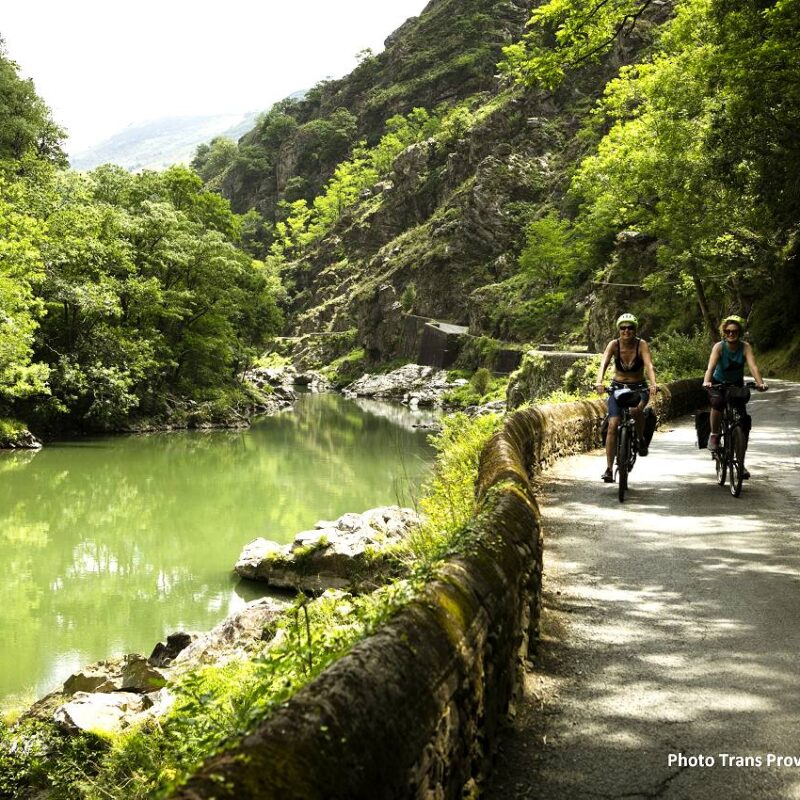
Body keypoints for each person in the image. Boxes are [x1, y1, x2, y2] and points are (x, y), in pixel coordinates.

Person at [594, 313, 659, 482]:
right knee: (612, 424)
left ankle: (640, 439)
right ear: (619, 330)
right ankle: (609, 468)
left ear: (635, 330)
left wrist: (653, 383)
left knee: (636, 411)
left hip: (639, 388)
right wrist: (599, 381)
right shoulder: (613, 345)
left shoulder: (641, 344)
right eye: (623, 328)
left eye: (630, 328)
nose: (626, 331)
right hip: (617, 388)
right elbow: (603, 363)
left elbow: (649, 365)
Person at [702, 315, 767, 477]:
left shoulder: (745, 347)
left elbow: (753, 366)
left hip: (736, 385)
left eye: (735, 331)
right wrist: (706, 381)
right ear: (724, 332)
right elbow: (711, 367)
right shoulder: (719, 347)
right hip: (718, 383)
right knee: (717, 402)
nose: (732, 334)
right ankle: (715, 435)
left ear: (740, 332)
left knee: (743, 424)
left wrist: (760, 383)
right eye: (728, 331)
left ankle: (741, 464)